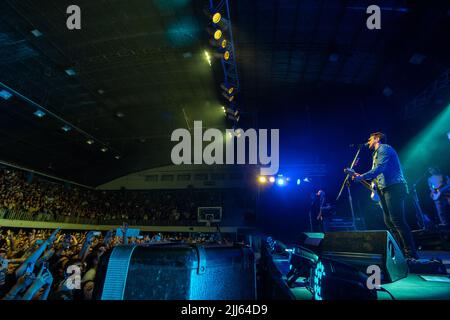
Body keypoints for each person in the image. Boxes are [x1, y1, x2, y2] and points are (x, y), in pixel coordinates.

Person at [353, 132, 418, 259]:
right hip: (385, 188)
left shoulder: (384, 149)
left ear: (377, 138)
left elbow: (380, 168)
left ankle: (411, 253)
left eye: (370, 139)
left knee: (397, 220)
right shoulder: (376, 153)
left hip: (394, 187)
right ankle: (401, 252)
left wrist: (362, 176)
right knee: (389, 221)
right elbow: (378, 174)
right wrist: (366, 180)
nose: (368, 141)